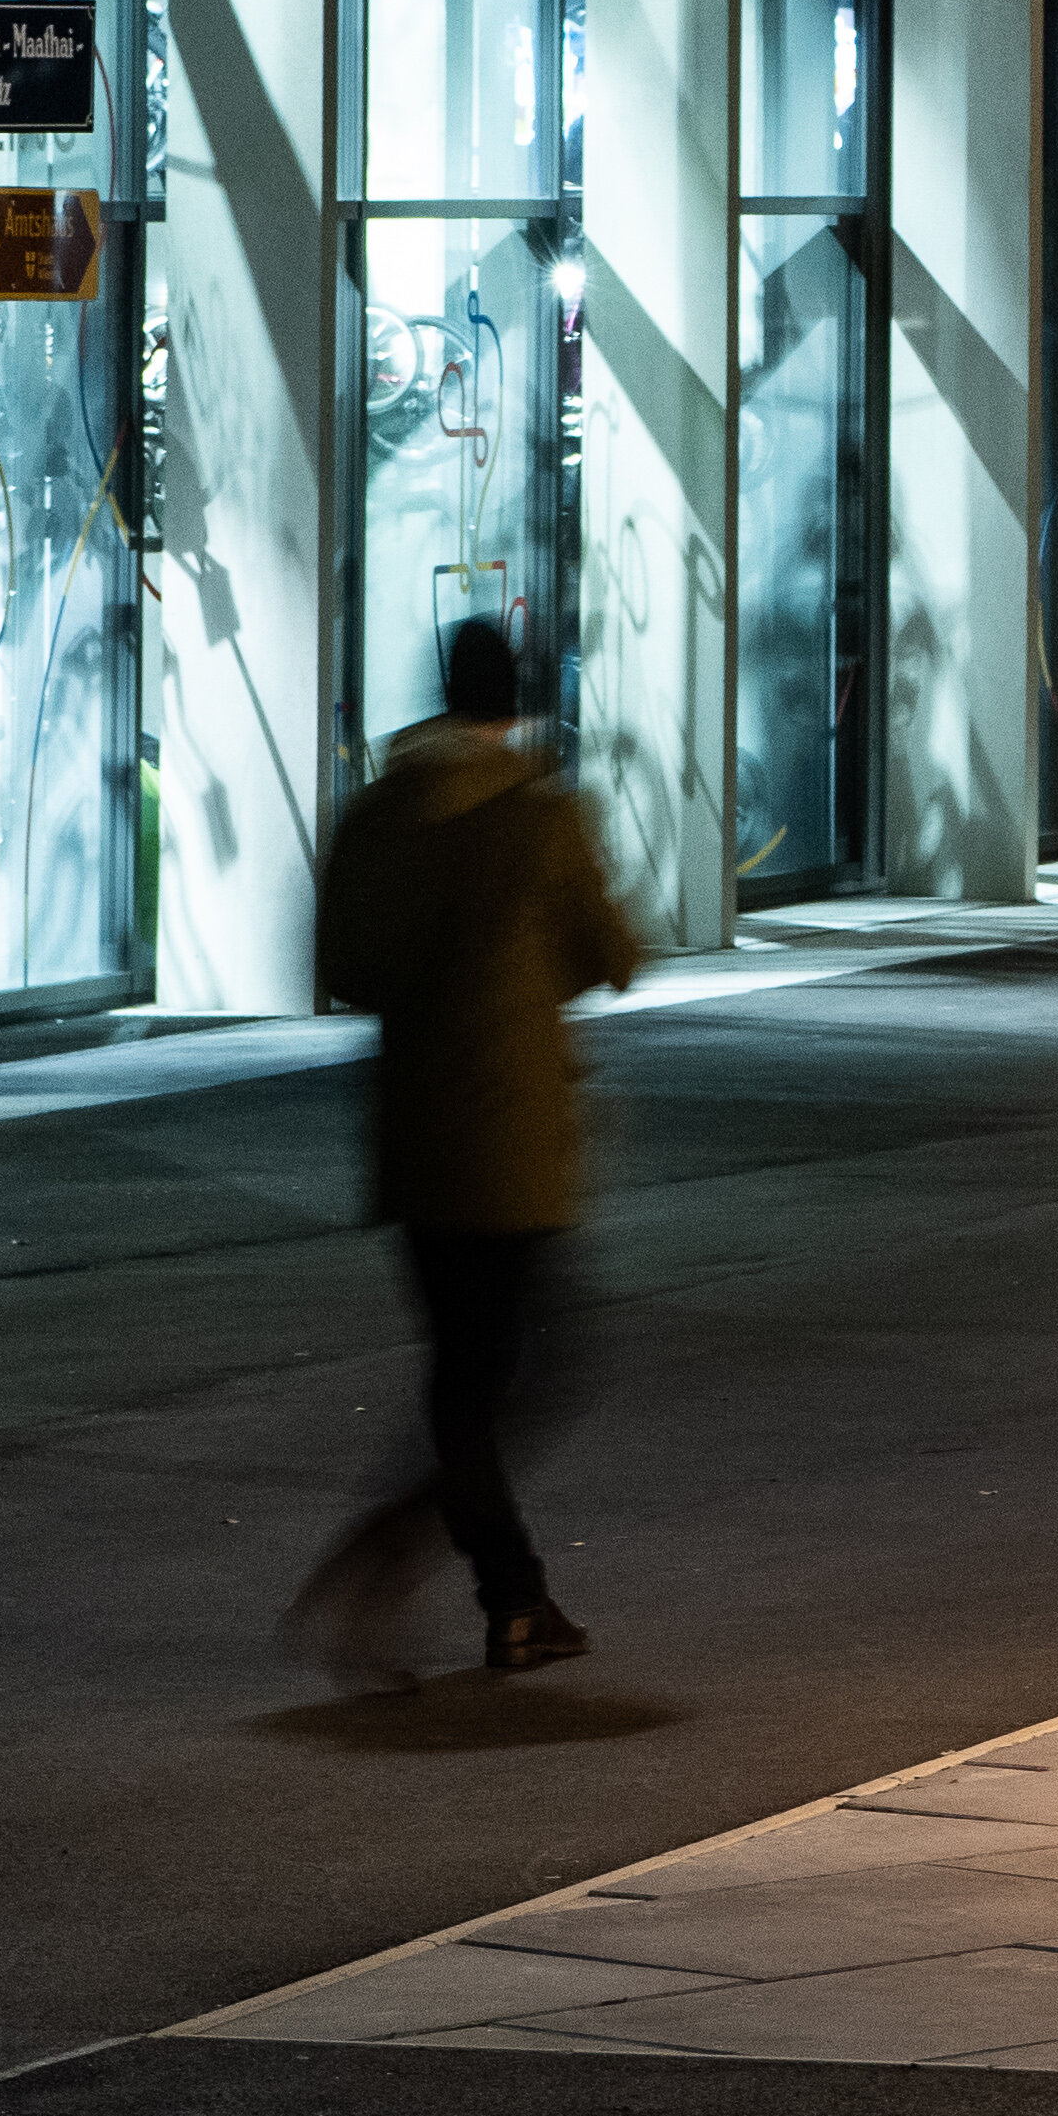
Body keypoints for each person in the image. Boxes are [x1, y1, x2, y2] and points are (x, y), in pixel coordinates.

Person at [289, 612, 649, 1678]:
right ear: (521, 698)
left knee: (468, 1369)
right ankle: (448, 1564)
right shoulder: (540, 816)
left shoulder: (378, 813)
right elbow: (613, 953)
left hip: (416, 1131)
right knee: (532, 1368)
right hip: (519, 1138)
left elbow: (346, 966)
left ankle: (512, 1595)